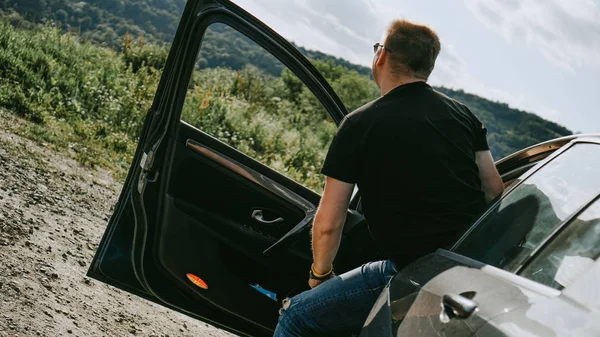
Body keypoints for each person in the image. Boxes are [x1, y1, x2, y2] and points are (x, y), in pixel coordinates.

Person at [273, 19, 504, 337]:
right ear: (428, 66)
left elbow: (329, 221)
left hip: (410, 273)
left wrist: (319, 274)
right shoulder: (465, 117)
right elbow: (494, 190)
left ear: (381, 56)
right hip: (468, 272)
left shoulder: (361, 123)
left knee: (297, 316)